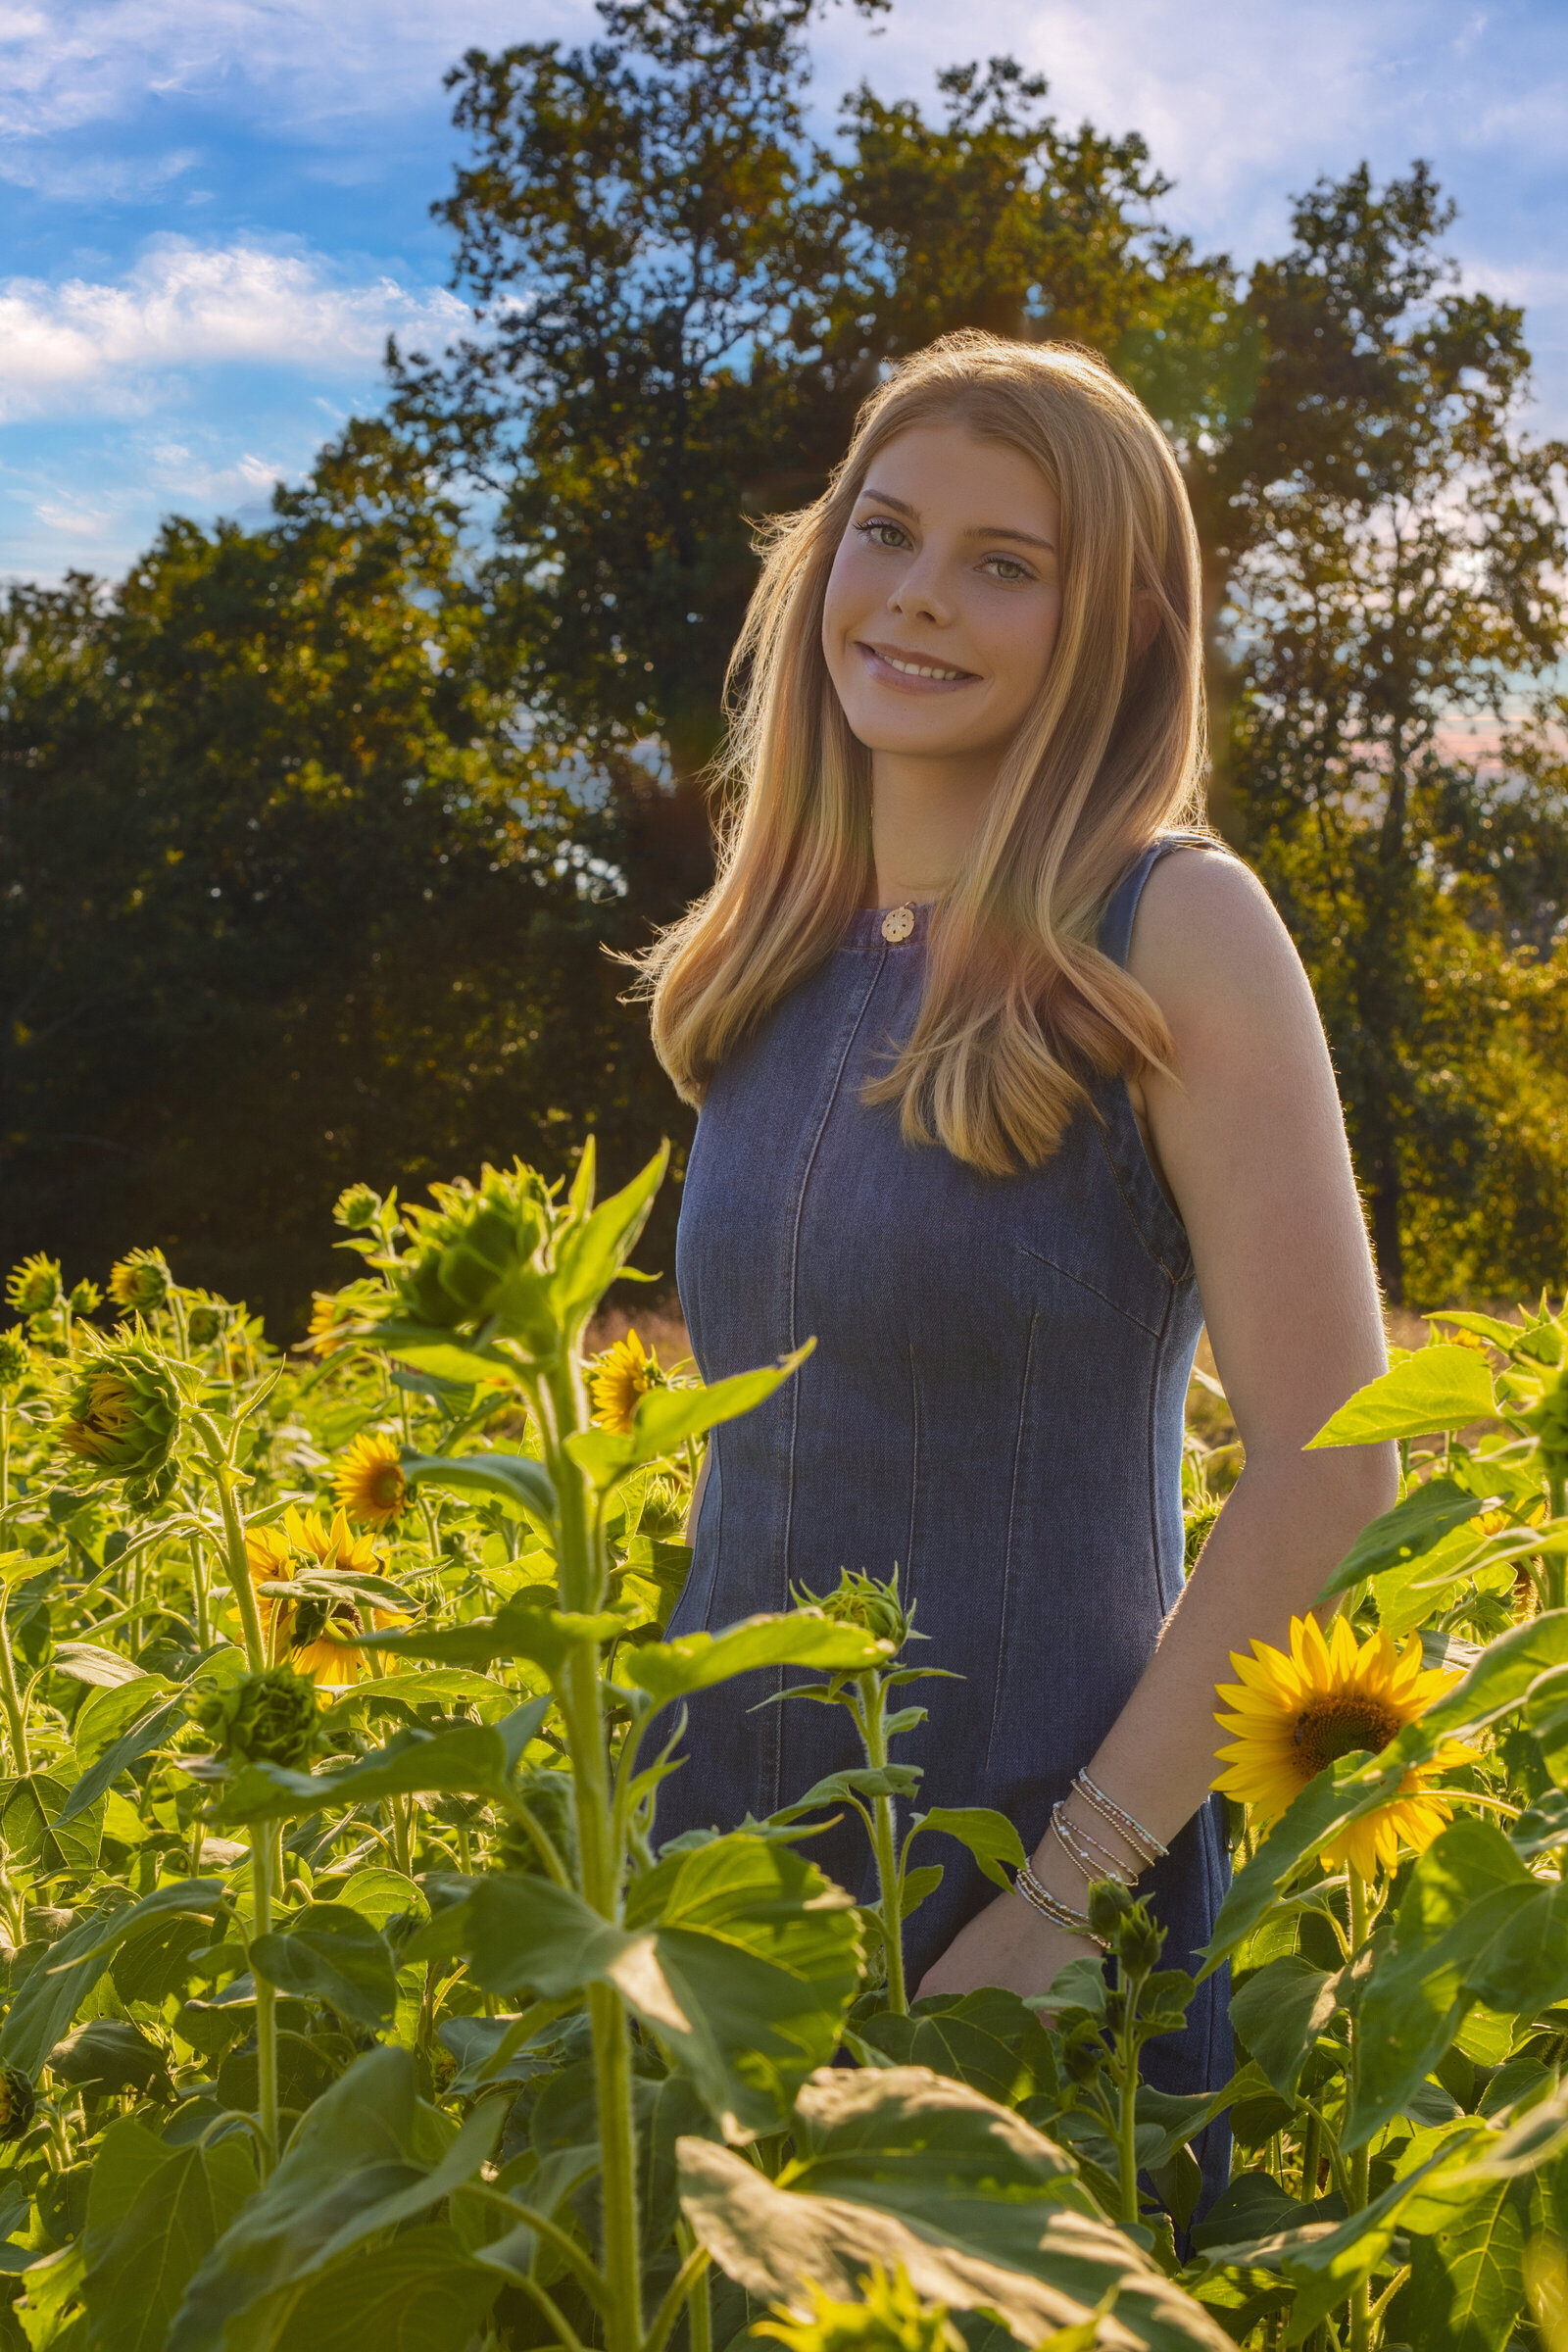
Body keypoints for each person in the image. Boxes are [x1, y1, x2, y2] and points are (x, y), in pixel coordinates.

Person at [635, 331, 1396, 2198]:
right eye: (885, 533)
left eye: (1005, 561)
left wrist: (1055, 1914)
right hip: (708, 1903)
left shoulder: (1176, 924)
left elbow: (1336, 1473)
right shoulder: (774, 957)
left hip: (1032, 1904)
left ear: (1121, 626)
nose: (915, 597)